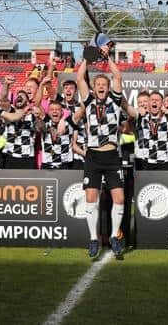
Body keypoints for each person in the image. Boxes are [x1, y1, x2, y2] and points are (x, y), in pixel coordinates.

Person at [76, 47, 125, 260]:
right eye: (98, 85)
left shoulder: (115, 100)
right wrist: (89, 58)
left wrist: (108, 57)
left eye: (104, 85)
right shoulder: (88, 102)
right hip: (93, 156)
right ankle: (94, 238)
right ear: (94, 89)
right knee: (90, 198)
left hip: (112, 155)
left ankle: (114, 236)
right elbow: (79, 77)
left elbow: (118, 75)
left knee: (120, 198)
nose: (102, 87)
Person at [125, 91, 168, 170]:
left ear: (162, 103)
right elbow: (126, 129)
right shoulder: (141, 117)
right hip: (145, 161)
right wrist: (132, 117)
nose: (154, 101)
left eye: (157, 100)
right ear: (149, 103)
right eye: (152, 100)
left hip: (166, 161)